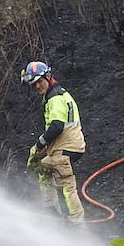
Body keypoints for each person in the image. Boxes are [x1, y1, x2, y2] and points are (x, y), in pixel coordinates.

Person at [21, 61, 87, 223]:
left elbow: (57, 126)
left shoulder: (55, 98)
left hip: (66, 149)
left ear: (48, 76)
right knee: (42, 168)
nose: (37, 86)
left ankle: (77, 224)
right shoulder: (58, 94)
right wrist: (39, 153)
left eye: (39, 81)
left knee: (67, 186)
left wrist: (38, 145)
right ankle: (51, 212)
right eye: (33, 84)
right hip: (67, 146)